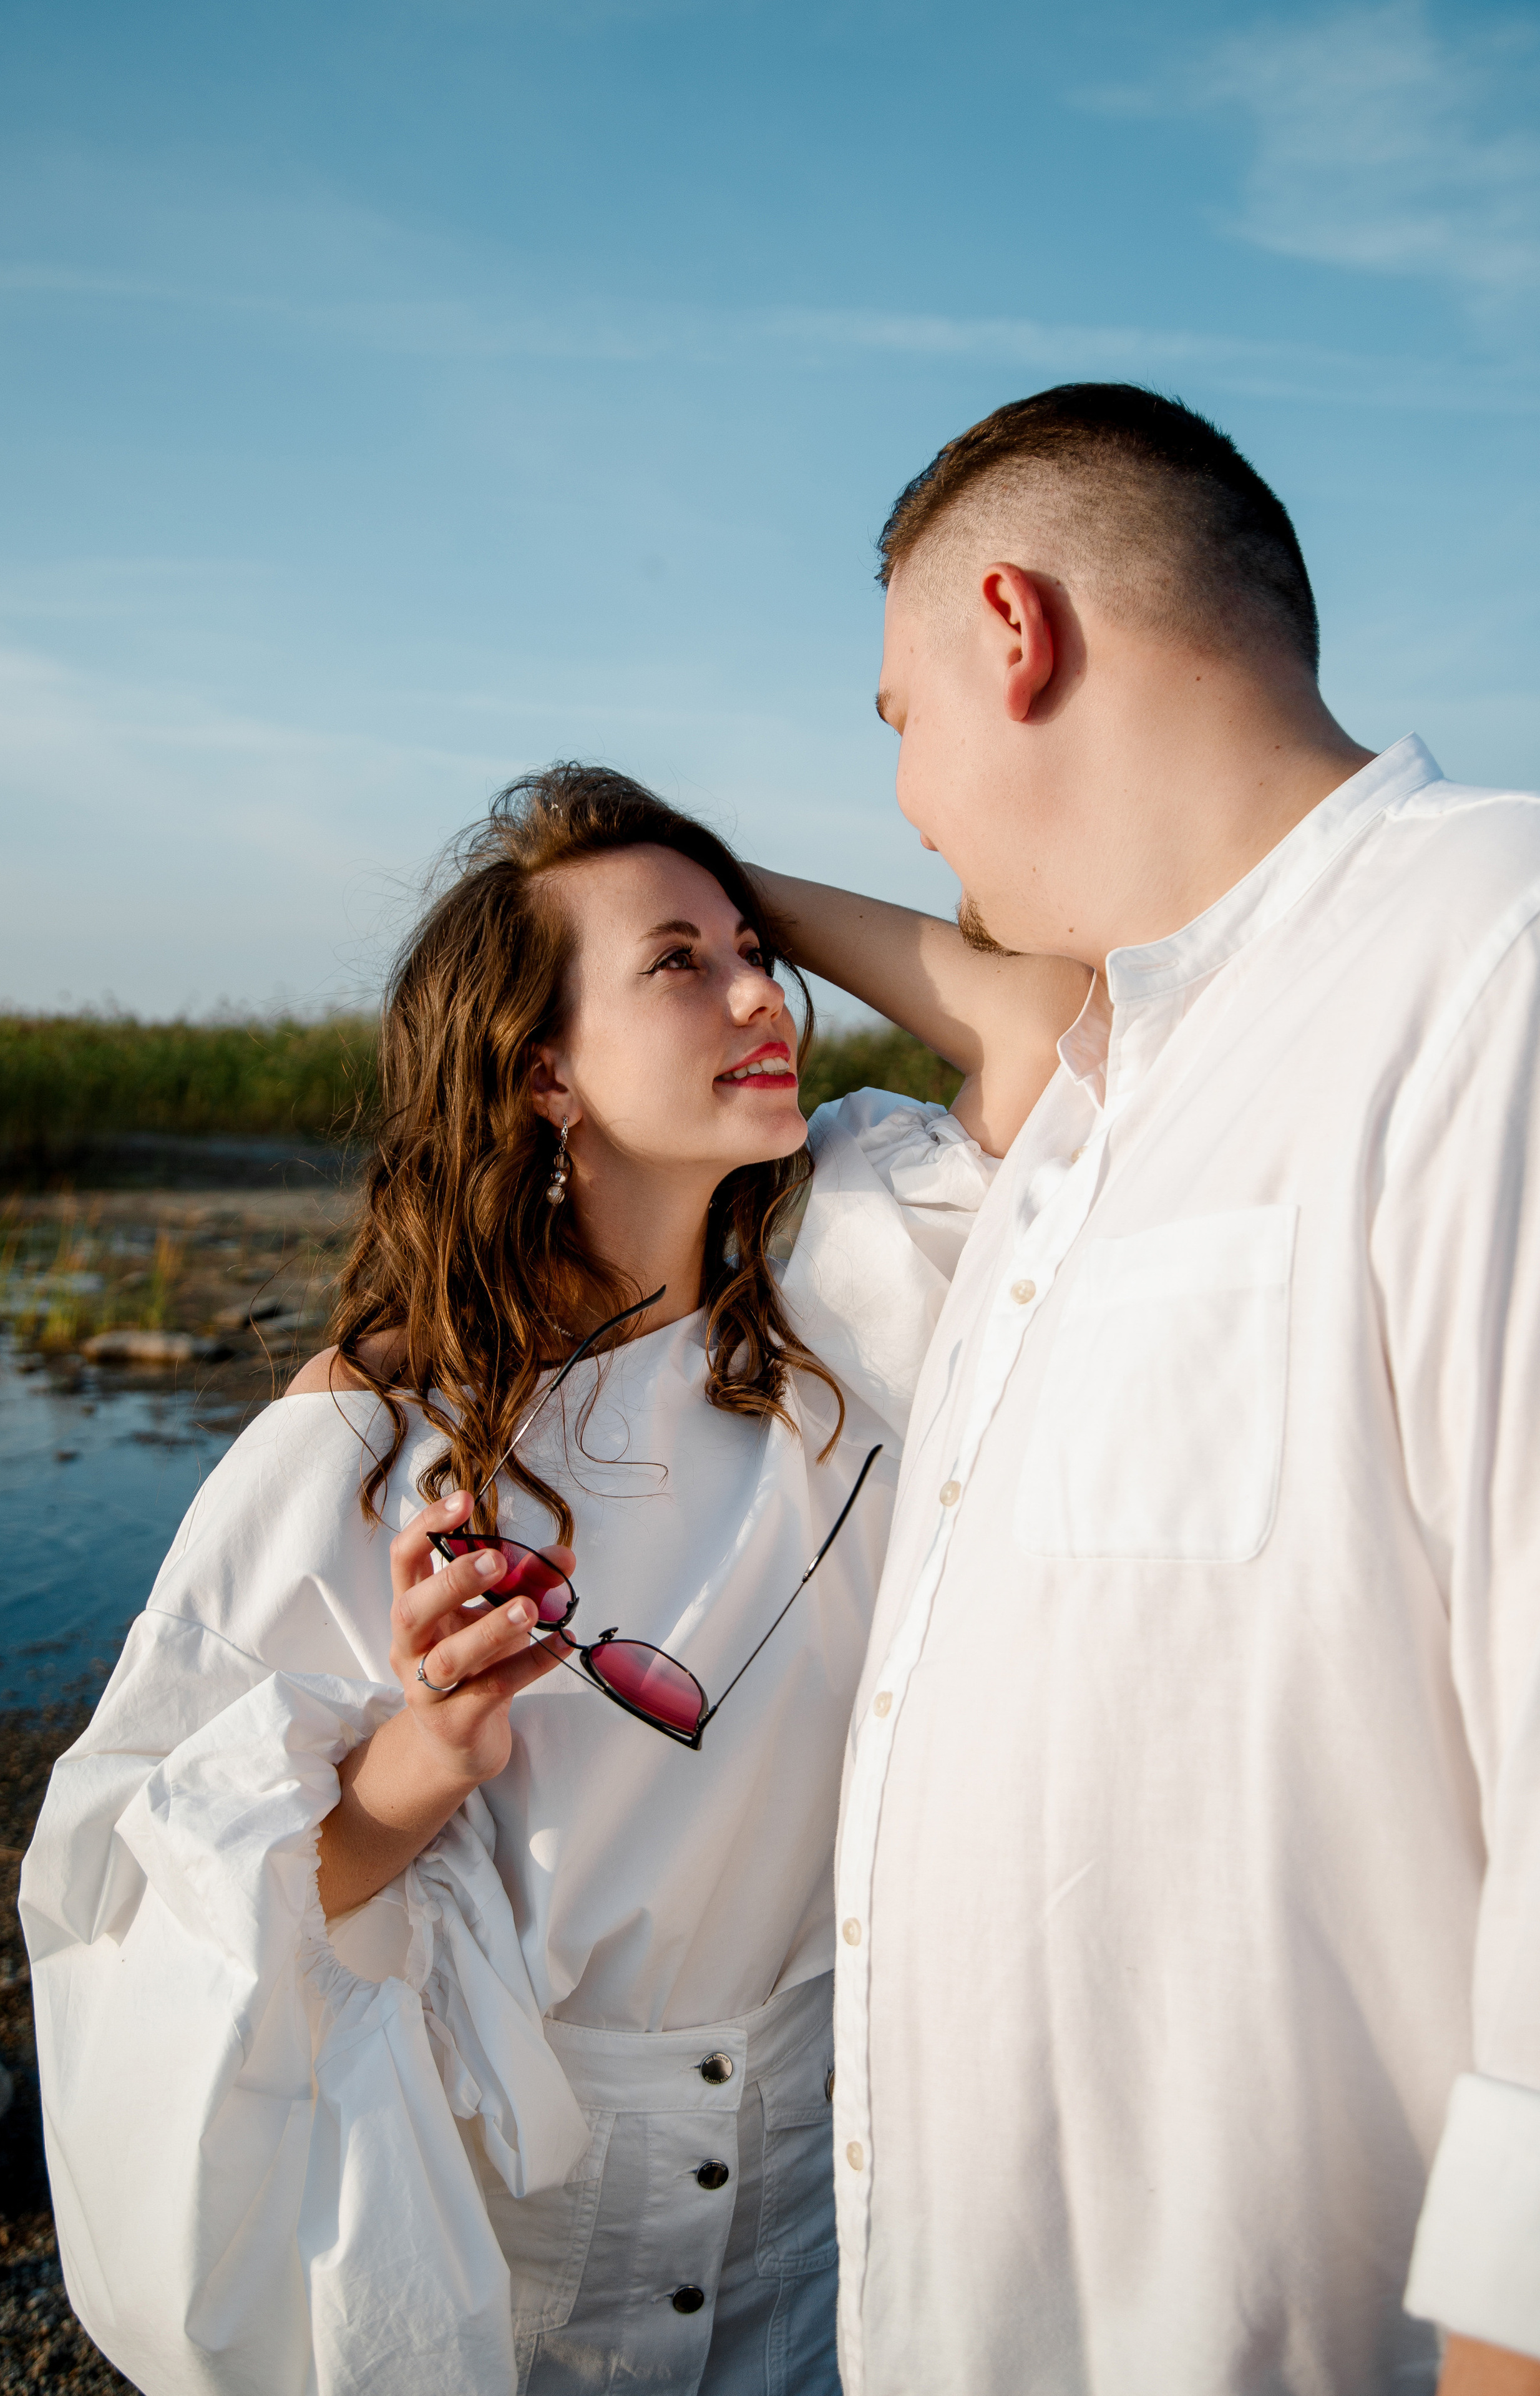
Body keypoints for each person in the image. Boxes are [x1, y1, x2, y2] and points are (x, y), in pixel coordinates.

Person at [20, 764, 1086, 2396]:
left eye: (759, 953)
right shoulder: (372, 1441)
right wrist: (424, 1758)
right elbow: (150, 1889)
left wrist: (712, 884)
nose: (758, 993)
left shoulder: (849, 1316)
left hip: (836, 2205)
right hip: (532, 2242)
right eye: (679, 964)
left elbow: (1054, 1028)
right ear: (543, 1073)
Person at [758, 383, 1540, 2396]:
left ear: (1012, 632)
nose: (912, 803)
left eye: (895, 723)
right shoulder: (1108, 1082)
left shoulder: (1493, 961)